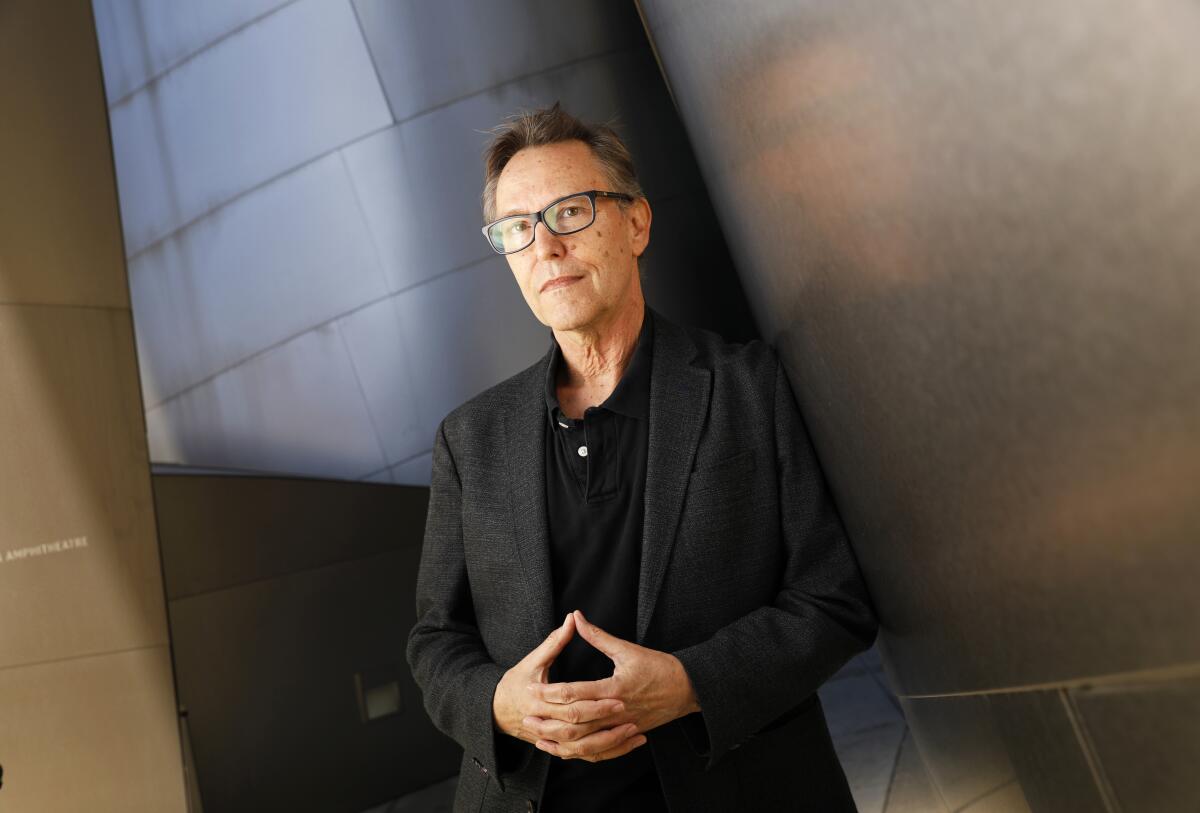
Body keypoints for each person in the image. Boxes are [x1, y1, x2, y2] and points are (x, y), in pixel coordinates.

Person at [406, 103, 877, 812]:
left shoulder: (752, 387)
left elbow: (833, 598)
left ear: (636, 223)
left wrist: (691, 683)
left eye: (569, 212)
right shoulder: (469, 439)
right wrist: (499, 702)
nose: (545, 247)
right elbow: (436, 639)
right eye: (517, 229)